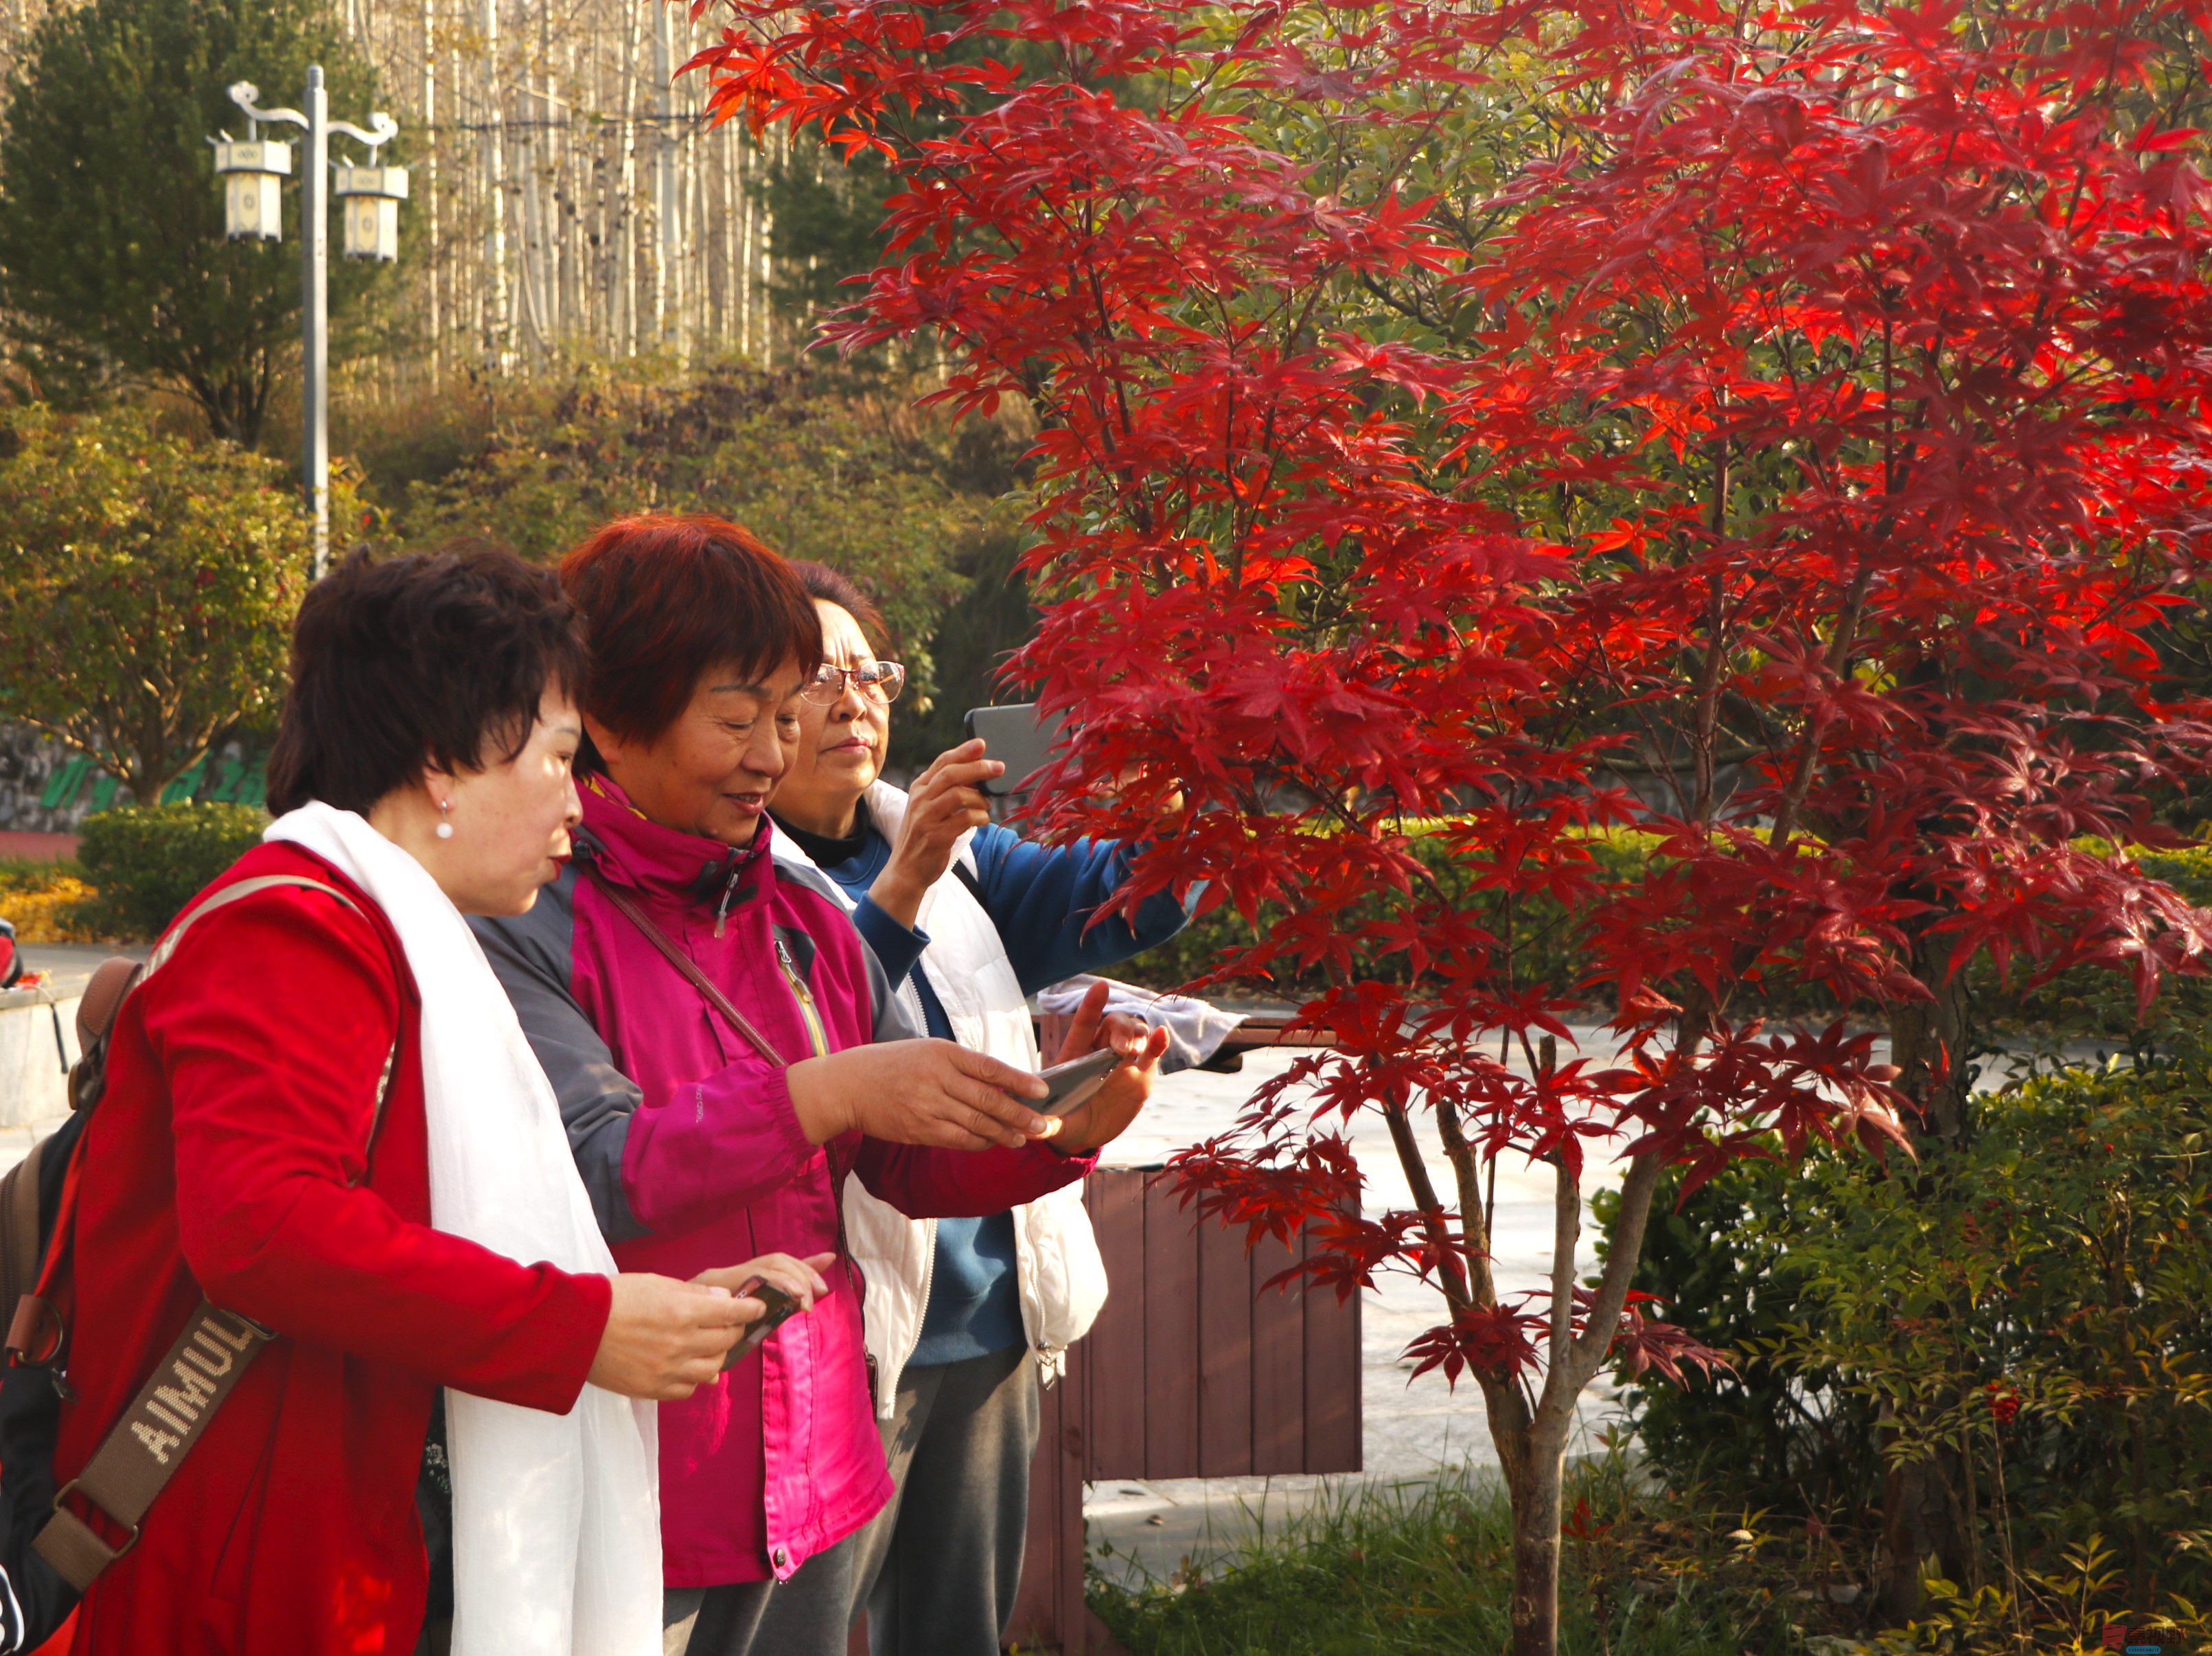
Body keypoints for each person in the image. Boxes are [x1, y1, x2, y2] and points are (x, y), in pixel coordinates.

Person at [44, 547, 829, 1656]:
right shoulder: (292, 931)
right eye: (559, 759)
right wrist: (582, 1328)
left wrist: (636, 1309)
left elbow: (428, 1230)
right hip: (248, 1566)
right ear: (442, 763)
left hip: (319, 1532)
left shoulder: (387, 935)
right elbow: (264, 1228)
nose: (578, 797)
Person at [468, 514, 1162, 1656]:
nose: (772, 755)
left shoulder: (800, 918)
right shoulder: (530, 916)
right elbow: (599, 1166)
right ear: (608, 715)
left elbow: (897, 1163)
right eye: (738, 720)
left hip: (818, 1465)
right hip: (635, 1481)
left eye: (782, 720)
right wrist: (824, 1092)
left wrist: (1050, 1130)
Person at [766, 561, 1186, 1656]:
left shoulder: (967, 857)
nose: (854, 699)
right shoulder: (731, 880)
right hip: (834, 1335)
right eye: (818, 677)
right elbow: (792, 1049)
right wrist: (901, 879)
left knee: (955, 1634)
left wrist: (1173, 769)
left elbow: (1134, 893)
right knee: (794, 1633)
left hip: (992, 1316)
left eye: (872, 672)